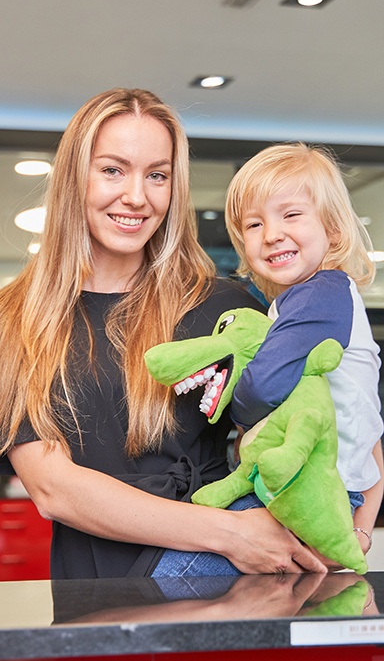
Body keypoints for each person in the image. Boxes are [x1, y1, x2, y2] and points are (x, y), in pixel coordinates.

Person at [0, 89, 327, 579]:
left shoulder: (225, 305)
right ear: (74, 177)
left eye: (157, 175)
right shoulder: (17, 317)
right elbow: (53, 490)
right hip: (102, 588)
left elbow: (313, 419)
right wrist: (230, 534)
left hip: (229, 584)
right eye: (113, 170)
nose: (136, 196)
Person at [224, 142, 384, 567]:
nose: (272, 233)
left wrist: (235, 411)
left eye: (291, 214)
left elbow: (261, 387)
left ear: (333, 228)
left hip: (315, 485)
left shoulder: (320, 293)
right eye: (254, 224)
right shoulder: (317, 295)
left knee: (181, 567)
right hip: (333, 485)